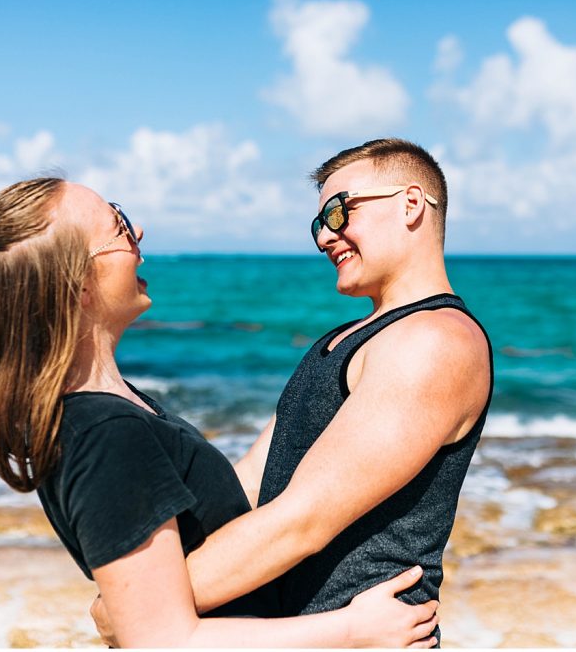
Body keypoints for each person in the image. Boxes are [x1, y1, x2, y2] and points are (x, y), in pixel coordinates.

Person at [0, 177, 440, 648]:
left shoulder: (121, 407)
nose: (139, 232)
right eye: (120, 225)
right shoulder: (104, 432)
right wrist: (351, 630)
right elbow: (164, 642)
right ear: (78, 284)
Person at [92, 138, 493, 646]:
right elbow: (246, 490)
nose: (326, 236)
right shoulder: (344, 340)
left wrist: (143, 606)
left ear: (411, 204)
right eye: (319, 222)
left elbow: (302, 519)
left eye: (340, 210)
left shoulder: (435, 341)